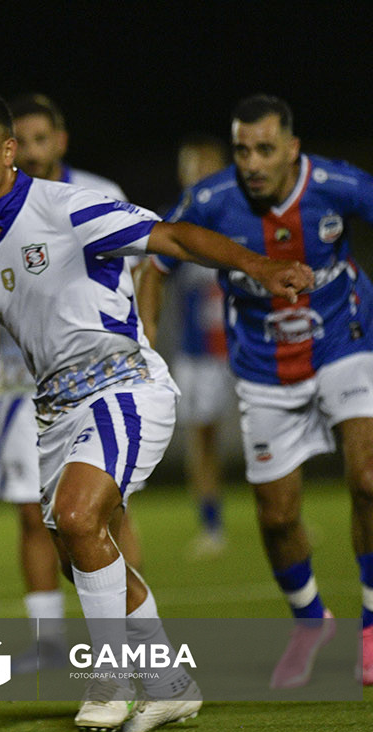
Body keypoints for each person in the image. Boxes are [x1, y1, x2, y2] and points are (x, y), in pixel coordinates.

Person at [0, 89, 313, 732]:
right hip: (54, 410)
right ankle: (170, 684)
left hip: (123, 387)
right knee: (82, 545)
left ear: (6, 151)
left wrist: (259, 266)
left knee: (81, 517)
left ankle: (108, 679)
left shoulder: (65, 207)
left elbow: (171, 235)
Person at [139, 95, 373, 688]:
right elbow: (155, 262)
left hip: (344, 343)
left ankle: (370, 626)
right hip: (263, 368)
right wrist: (141, 343)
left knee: (369, 477)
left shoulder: (337, 183)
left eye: (266, 149)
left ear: (292, 149)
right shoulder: (213, 200)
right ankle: (310, 619)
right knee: (276, 515)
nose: (252, 162)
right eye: (243, 149)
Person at [0, 92, 141, 667]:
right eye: (20, 141)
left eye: (37, 139)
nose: (28, 150)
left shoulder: (92, 198)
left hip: (99, 379)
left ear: (60, 141)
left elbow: (146, 269)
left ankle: (136, 645)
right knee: (34, 512)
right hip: (18, 383)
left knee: (104, 513)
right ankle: (50, 643)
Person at [136, 135, 235, 558]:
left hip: (248, 345)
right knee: (203, 439)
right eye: (194, 167)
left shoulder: (244, 215)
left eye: (208, 166)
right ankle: (211, 525)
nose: (201, 175)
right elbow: (149, 273)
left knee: (283, 431)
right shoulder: (175, 223)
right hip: (200, 352)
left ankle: (291, 515)